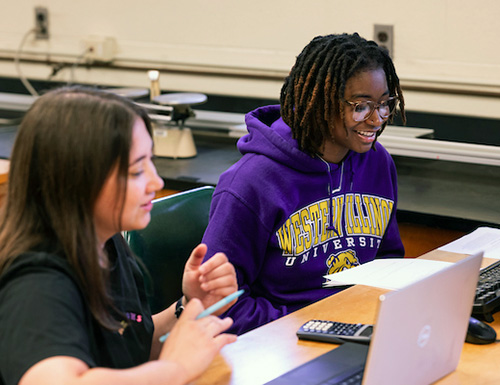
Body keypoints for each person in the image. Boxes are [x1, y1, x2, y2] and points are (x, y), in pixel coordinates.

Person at [0, 86, 238, 385]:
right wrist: (176, 369)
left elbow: (129, 350)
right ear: (78, 179)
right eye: (137, 170)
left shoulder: (107, 244)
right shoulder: (38, 280)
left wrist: (190, 304)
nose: (157, 180)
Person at [201, 33, 406, 335]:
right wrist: (306, 325)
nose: (377, 119)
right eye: (361, 106)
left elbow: (388, 260)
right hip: (279, 345)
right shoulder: (249, 183)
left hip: (357, 329)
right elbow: (219, 306)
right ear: (322, 103)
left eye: (384, 104)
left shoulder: (377, 161)